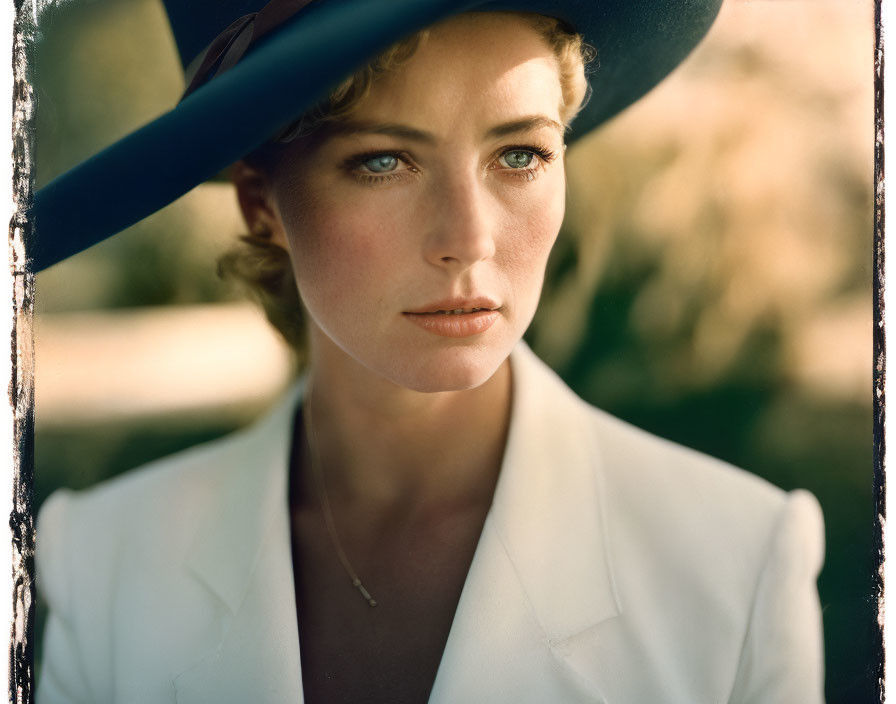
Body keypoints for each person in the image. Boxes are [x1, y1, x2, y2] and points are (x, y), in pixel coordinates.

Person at [32, 1, 826, 702]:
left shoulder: (738, 567)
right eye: (384, 160)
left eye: (520, 154)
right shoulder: (105, 568)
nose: (469, 240)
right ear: (261, 202)